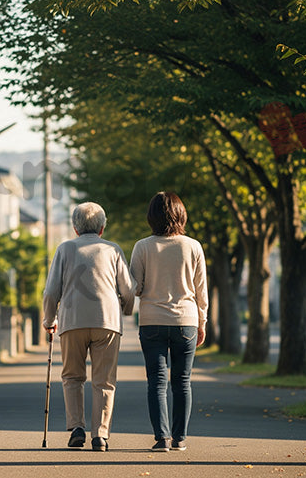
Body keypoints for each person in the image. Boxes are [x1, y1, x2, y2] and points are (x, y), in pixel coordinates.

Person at [43, 202, 135, 452]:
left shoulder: (64, 249)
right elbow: (128, 290)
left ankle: (77, 428)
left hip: (72, 321)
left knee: (72, 376)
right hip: (107, 322)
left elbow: (51, 291)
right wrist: (125, 311)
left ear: (75, 228)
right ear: (102, 228)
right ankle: (100, 435)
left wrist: (49, 320)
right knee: (104, 381)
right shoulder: (113, 250)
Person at [130, 191, 208, 452]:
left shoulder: (142, 247)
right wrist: (202, 321)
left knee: (157, 381)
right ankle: (180, 438)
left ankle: (161, 438)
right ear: (181, 214)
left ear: (151, 217)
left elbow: (136, 287)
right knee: (182, 381)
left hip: (152, 320)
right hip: (186, 319)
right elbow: (201, 289)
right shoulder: (193, 246)